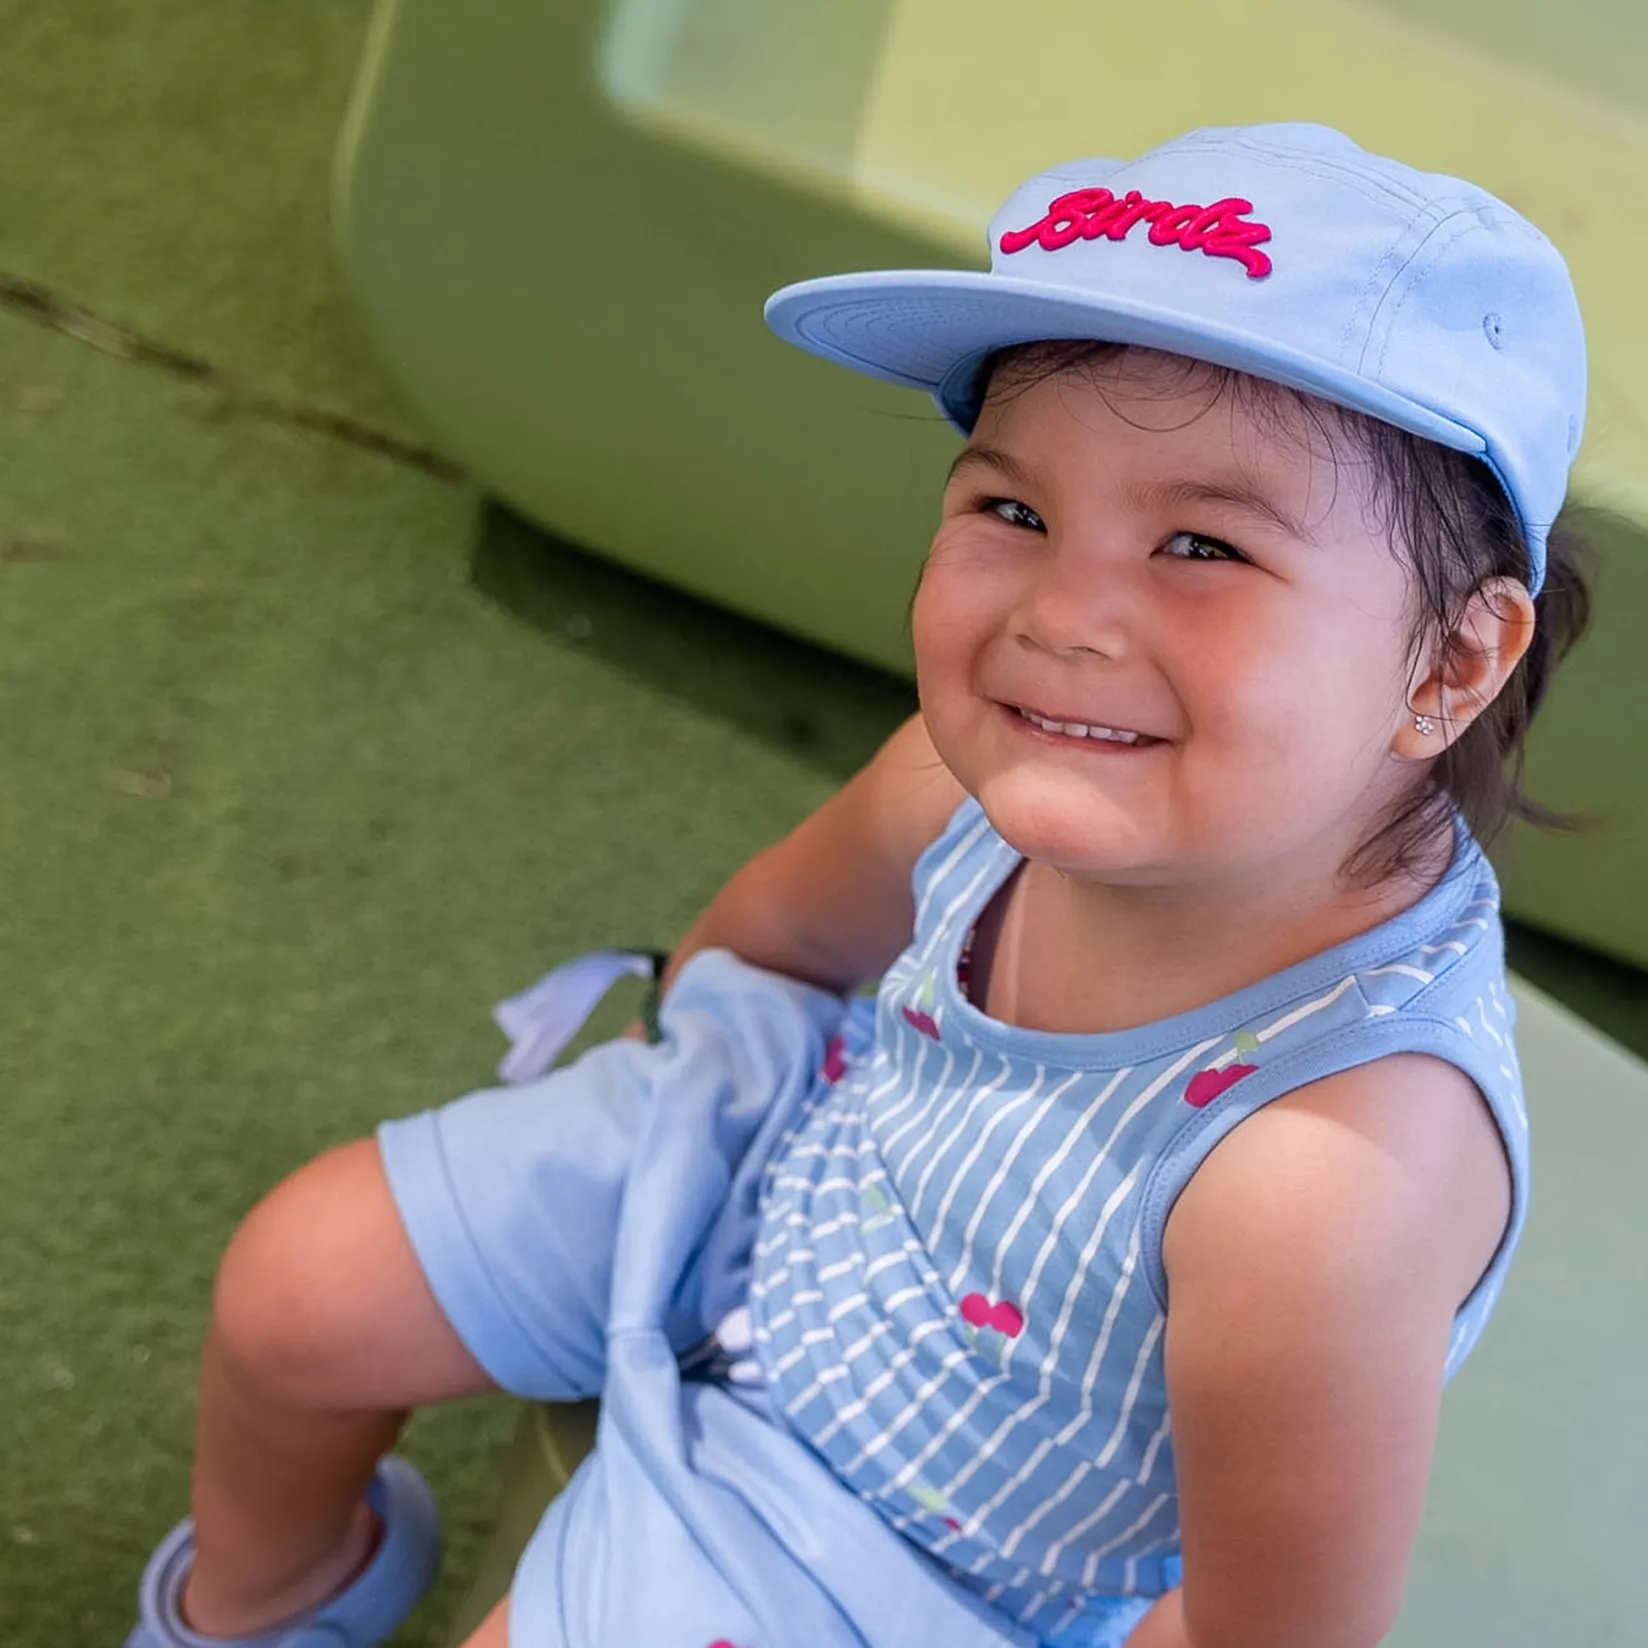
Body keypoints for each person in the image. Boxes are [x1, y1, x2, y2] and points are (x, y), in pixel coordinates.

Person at [122, 122, 1594, 1648]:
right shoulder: (970, 778)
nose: (1062, 614)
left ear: (1453, 661)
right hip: (795, 1175)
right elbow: (771, 939)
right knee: (294, 1286)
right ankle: (273, 1600)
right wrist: (665, 1112)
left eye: (1201, 545)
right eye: (1014, 511)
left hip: (917, 1559)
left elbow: (1259, 1631)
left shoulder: (1326, 1184)